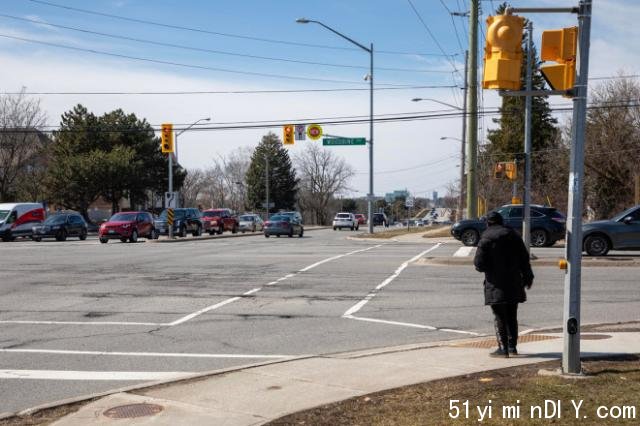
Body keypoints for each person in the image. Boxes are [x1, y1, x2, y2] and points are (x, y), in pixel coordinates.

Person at [473, 211, 534, 358]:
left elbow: (478, 264)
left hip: (496, 282)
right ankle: (512, 347)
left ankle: (503, 349)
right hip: (514, 281)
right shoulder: (513, 235)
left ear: (488, 223)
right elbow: (524, 259)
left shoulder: (486, 237)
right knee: (512, 314)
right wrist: (528, 276)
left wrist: (489, 268)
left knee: (500, 315)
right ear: (501, 222)